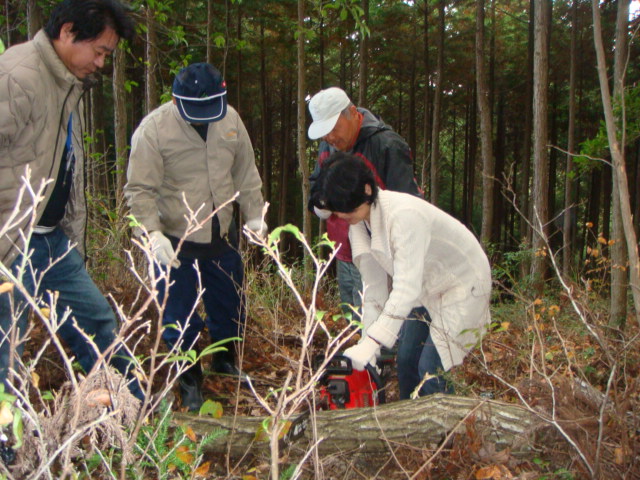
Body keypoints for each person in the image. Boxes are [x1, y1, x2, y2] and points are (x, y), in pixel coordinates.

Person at [0, 0, 142, 399]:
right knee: (6, 352)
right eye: (99, 51)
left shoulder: (64, 83)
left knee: (95, 324)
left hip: (49, 240)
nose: (100, 63)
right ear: (66, 32)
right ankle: (8, 452)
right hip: (11, 243)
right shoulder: (17, 75)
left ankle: (132, 418)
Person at [125, 62, 267, 412]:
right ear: (176, 101)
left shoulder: (230, 120)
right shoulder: (154, 131)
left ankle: (225, 362)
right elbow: (139, 190)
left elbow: (246, 173)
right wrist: (152, 233)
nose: (204, 117)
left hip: (221, 234)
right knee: (179, 314)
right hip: (174, 240)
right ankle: (189, 380)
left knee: (230, 304)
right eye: (195, 110)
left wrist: (254, 215)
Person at [310, 152, 492, 399]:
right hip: (426, 289)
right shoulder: (360, 224)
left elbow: (406, 288)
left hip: (463, 283)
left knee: (431, 368)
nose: (341, 215)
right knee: (406, 362)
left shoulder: (404, 215)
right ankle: (409, 428)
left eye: (345, 208)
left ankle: (450, 431)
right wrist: (368, 345)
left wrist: (373, 342)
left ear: (366, 189)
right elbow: (374, 288)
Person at [307, 87, 421, 315]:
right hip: (344, 251)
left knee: (379, 317)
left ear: (351, 113)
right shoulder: (328, 145)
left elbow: (408, 204)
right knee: (352, 314)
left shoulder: (386, 145)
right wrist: (320, 203)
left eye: (333, 129)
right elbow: (316, 184)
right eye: (324, 133)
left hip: (380, 255)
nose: (329, 137)